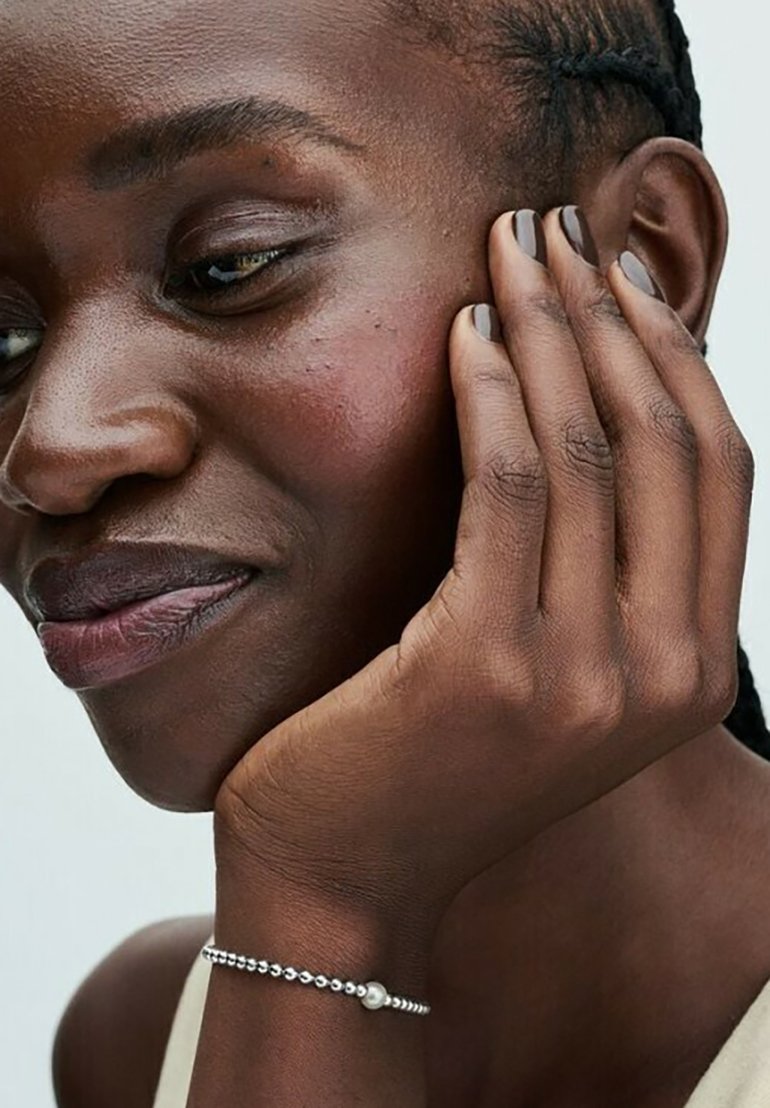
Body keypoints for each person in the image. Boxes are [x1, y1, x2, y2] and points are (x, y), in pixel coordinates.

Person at [2, 0, 768, 1103]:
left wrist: (321, 907)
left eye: (229, 264)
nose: (50, 450)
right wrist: (315, 913)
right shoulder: (134, 1042)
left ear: (638, 260)